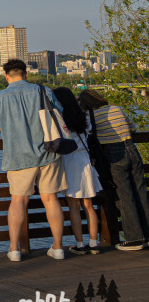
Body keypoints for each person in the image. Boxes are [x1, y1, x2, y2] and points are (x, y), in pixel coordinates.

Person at [0, 59, 67, 261]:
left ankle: (14, 249)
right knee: (51, 200)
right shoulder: (43, 90)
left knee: (18, 201)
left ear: (6, 76)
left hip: (18, 156)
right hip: (49, 153)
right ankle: (58, 248)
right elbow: (59, 114)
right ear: (26, 74)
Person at [79, 89, 149, 250]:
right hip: (131, 148)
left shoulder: (91, 117)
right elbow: (134, 128)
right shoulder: (116, 109)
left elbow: (87, 134)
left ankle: (135, 239)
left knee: (124, 196)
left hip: (114, 154)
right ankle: (147, 234)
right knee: (140, 192)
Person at [52, 87, 102, 255]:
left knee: (73, 206)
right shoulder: (84, 116)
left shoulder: (60, 118)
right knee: (88, 205)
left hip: (69, 160)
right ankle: (94, 243)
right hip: (85, 159)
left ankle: (80, 244)